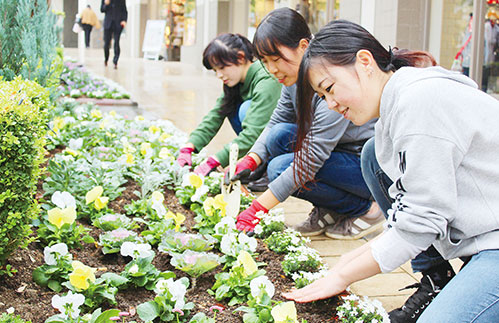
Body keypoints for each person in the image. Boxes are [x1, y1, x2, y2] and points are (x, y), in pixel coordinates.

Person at [283, 19, 499, 323]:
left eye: (329, 88)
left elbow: (420, 222)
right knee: (373, 154)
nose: (330, 104)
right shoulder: (394, 109)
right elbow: (405, 216)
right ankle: (438, 279)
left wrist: (342, 276)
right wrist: (342, 266)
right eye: (322, 96)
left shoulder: (419, 101)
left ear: (365, 62)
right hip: (481, 232)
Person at [228, 8, 383, 240]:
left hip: (365, 168)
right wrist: (252, 158)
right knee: (279, 136)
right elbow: (277, 121)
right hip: (339, 157)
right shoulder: (293, 80)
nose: (272, 70)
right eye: (265, 62)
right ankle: (330, 208)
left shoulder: (330, 83)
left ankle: (368, 210)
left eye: (276, 59)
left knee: (279, 168)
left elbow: (310, 158)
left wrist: (258, 207)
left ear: (302, 46)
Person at [176, 33, 281, 176]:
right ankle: (259, 161)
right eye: (215, 70)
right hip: (263, 138)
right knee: (230, 107)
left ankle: (266, 163)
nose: (219, 75)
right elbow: (215, 116)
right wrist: (189, 147)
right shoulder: (235, 83)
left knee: (245, 109)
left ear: (240, 57)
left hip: (285, 139)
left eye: (222, 67)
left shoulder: (266, 80)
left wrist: (216, 160)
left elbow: (253, 132)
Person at [101, 0, 127, 69]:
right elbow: (102, 10)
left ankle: (115, 61)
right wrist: (106, 4)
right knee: (106, 43)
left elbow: (124, 10)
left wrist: (124, 20)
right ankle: (106, 59)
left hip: (118, 24)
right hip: (108, 24)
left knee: (116, 42)